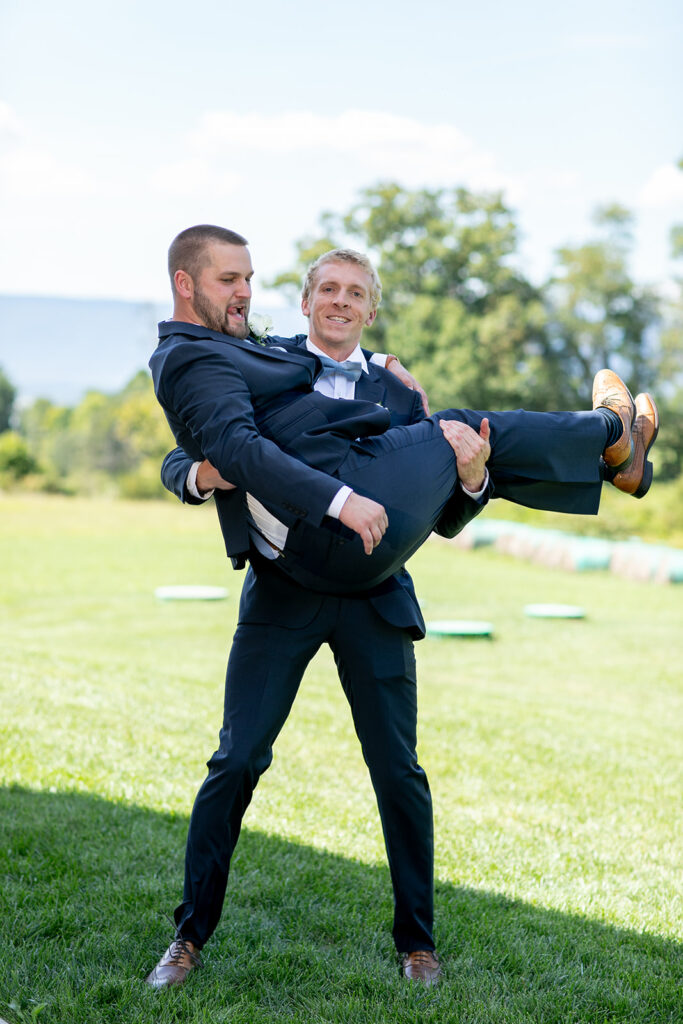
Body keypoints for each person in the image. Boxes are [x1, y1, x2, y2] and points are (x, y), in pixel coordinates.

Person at [145, 225, 658, 989]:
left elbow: (438, 513)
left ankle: (417, 943)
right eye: (328, 289)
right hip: (285, 589)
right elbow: (193, 450)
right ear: (307, 301)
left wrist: (475, 479)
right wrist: (199, 478)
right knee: (235, 760)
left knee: (397, 771)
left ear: (372, 313)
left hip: (374, 590)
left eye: (356, 293)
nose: (340, 302)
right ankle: (187, 940)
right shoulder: (260, 357)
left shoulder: (396, 390)